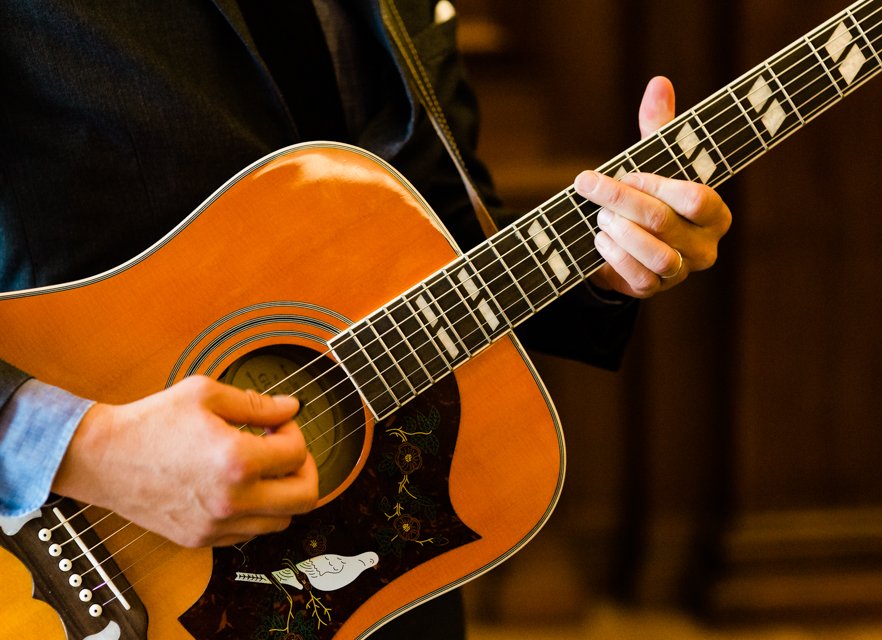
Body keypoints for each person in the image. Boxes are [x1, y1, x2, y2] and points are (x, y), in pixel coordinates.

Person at [0, 1, 731, 638]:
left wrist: (602, 254)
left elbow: (438, 227)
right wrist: (82, 449)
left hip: (377, 562)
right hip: (56, 555)